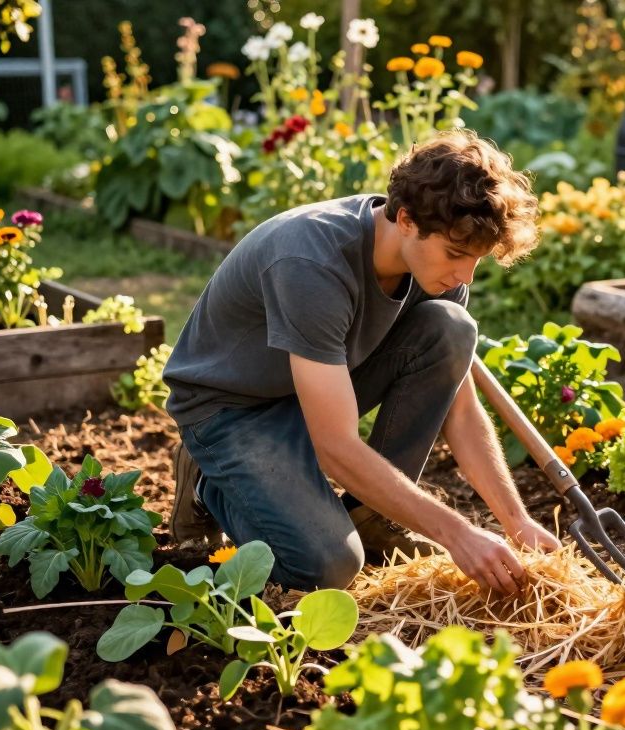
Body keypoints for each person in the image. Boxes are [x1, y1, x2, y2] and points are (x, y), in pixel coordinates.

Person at [162, 130, 561, 595]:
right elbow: (335, 445)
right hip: (233, 409)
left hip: (317, 389)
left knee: (452, 328)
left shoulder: (439, 267)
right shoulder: (312, 262)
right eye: (456, 254)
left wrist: (517, 522)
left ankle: (373, 517)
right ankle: (208, 482)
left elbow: (462, 410)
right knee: (328, 567)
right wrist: (456, 534)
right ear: (407, 220)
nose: (465, 274)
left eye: (477, 259)